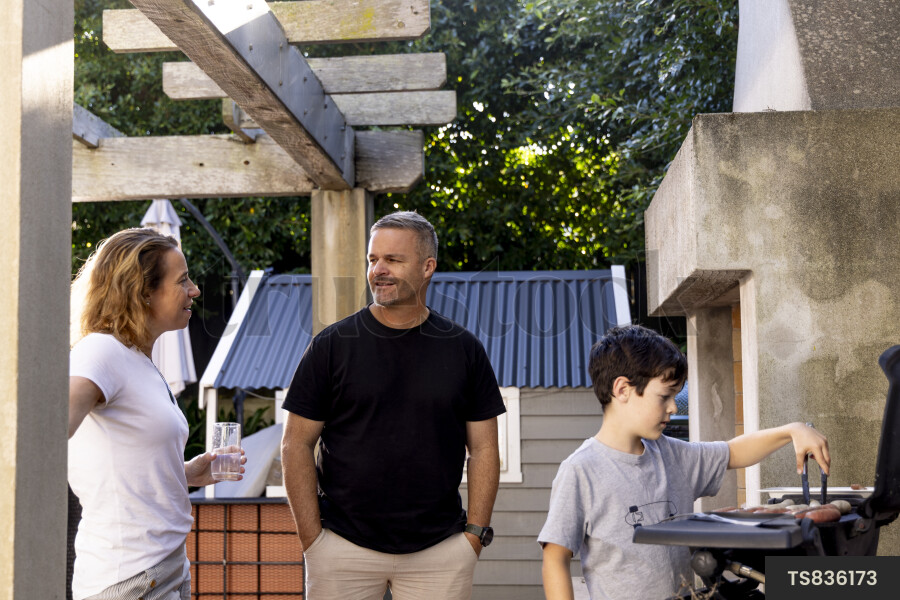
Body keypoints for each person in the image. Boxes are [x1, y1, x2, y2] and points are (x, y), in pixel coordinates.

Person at [281, 211, 506, 600]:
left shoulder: (464, 348)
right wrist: (313, 539)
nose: (378, 270)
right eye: (373, 260)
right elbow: (295, 444)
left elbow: (484, 448)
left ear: (427, 267)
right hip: (342, 549)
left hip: (440, 551)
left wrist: (474, 534)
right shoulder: (331, 345)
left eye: (393, 260)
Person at [539, 324, 830, 600]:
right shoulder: (580, 471)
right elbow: (555, 557)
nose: (673, 407)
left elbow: (733, 452)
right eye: (664, 396)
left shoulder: (672, 455)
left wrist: (792, 430)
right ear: (622, 390)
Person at [68, 228, 245, 600]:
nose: (194, 290)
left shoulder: (137, 358)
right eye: (182, 281)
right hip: (128, 578)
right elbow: (43, 435)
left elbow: (116, 464)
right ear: (143, 292)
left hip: (163, 568)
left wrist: (186, 473)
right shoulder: (100, 352)